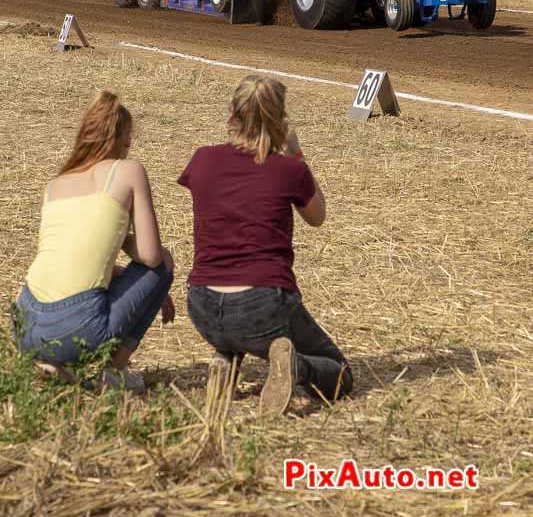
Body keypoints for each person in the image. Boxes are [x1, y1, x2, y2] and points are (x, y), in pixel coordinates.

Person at [179, 75, 353, 418]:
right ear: (280, 120)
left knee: (233, 325)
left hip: (202, 304)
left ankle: (225, 357)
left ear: (231, 115)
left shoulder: (202, 159)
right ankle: (296, 368)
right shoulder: (288, 169)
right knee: (341, 375)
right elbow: (317, 216)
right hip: (261, 305)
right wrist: (295, 151)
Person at [12, 91, 175, 393]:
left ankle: (50, 361)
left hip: (25, 324)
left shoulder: (55, 185)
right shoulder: (129, 171)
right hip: (75, 324)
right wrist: (126, 240)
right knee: (164, 262)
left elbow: (71, 263)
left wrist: (142, 291)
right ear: (122, 138)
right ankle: (113, 371)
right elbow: (152, 256)